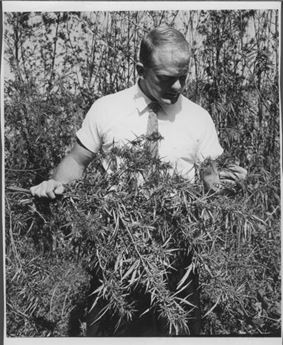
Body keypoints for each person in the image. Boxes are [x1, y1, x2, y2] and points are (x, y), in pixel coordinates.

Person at [30, 25, 247, 335]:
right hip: (116, 251)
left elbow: (212, 182)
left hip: (177, 253)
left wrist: (231, 183)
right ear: (140, 70)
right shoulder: (106, 109)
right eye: (166, 77)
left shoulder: (199, 117)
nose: (177, 86)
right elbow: (76, 160)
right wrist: (55, 185)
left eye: (183, 76)